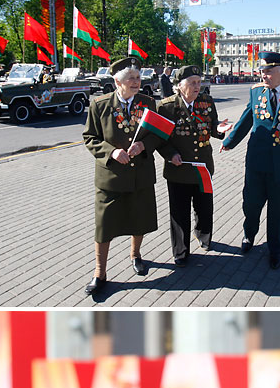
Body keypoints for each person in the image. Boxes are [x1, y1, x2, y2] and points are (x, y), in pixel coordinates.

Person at [221, 48, 280, 269]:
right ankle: (249, 235)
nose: (263, 75)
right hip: (257, 161)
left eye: (268, 71)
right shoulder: (257, 91)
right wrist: (229, 142)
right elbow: (247, 118)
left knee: (279, 210)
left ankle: (275, 249)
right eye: (262, 71)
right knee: (251, 204)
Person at [84, 58, 159, 301]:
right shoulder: (100, 105)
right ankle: (100, 272)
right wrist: (112, 152)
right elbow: (90, 137)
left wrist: (144, 145)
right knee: (104, 225)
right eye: (131, 78)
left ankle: (136, 255)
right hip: (111, 178)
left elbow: (159, 134)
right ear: (117, 81)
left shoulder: (148, 103)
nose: (137, 82)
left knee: (139, 219)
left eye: (138, 78)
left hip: (140, 175)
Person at [159, 66, 219, 266]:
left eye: (199, 82)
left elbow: (214, 127)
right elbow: (159, 139)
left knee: (204, 207)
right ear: (179, 86)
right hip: (179, 169)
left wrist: (222, 131)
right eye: (192, 83)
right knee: (179, 212)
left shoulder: (207, 102)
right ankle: (180, 251)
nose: (197, 86)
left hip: (203, 167)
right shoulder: (167, 107)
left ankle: (203, 236)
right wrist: (170, 154)